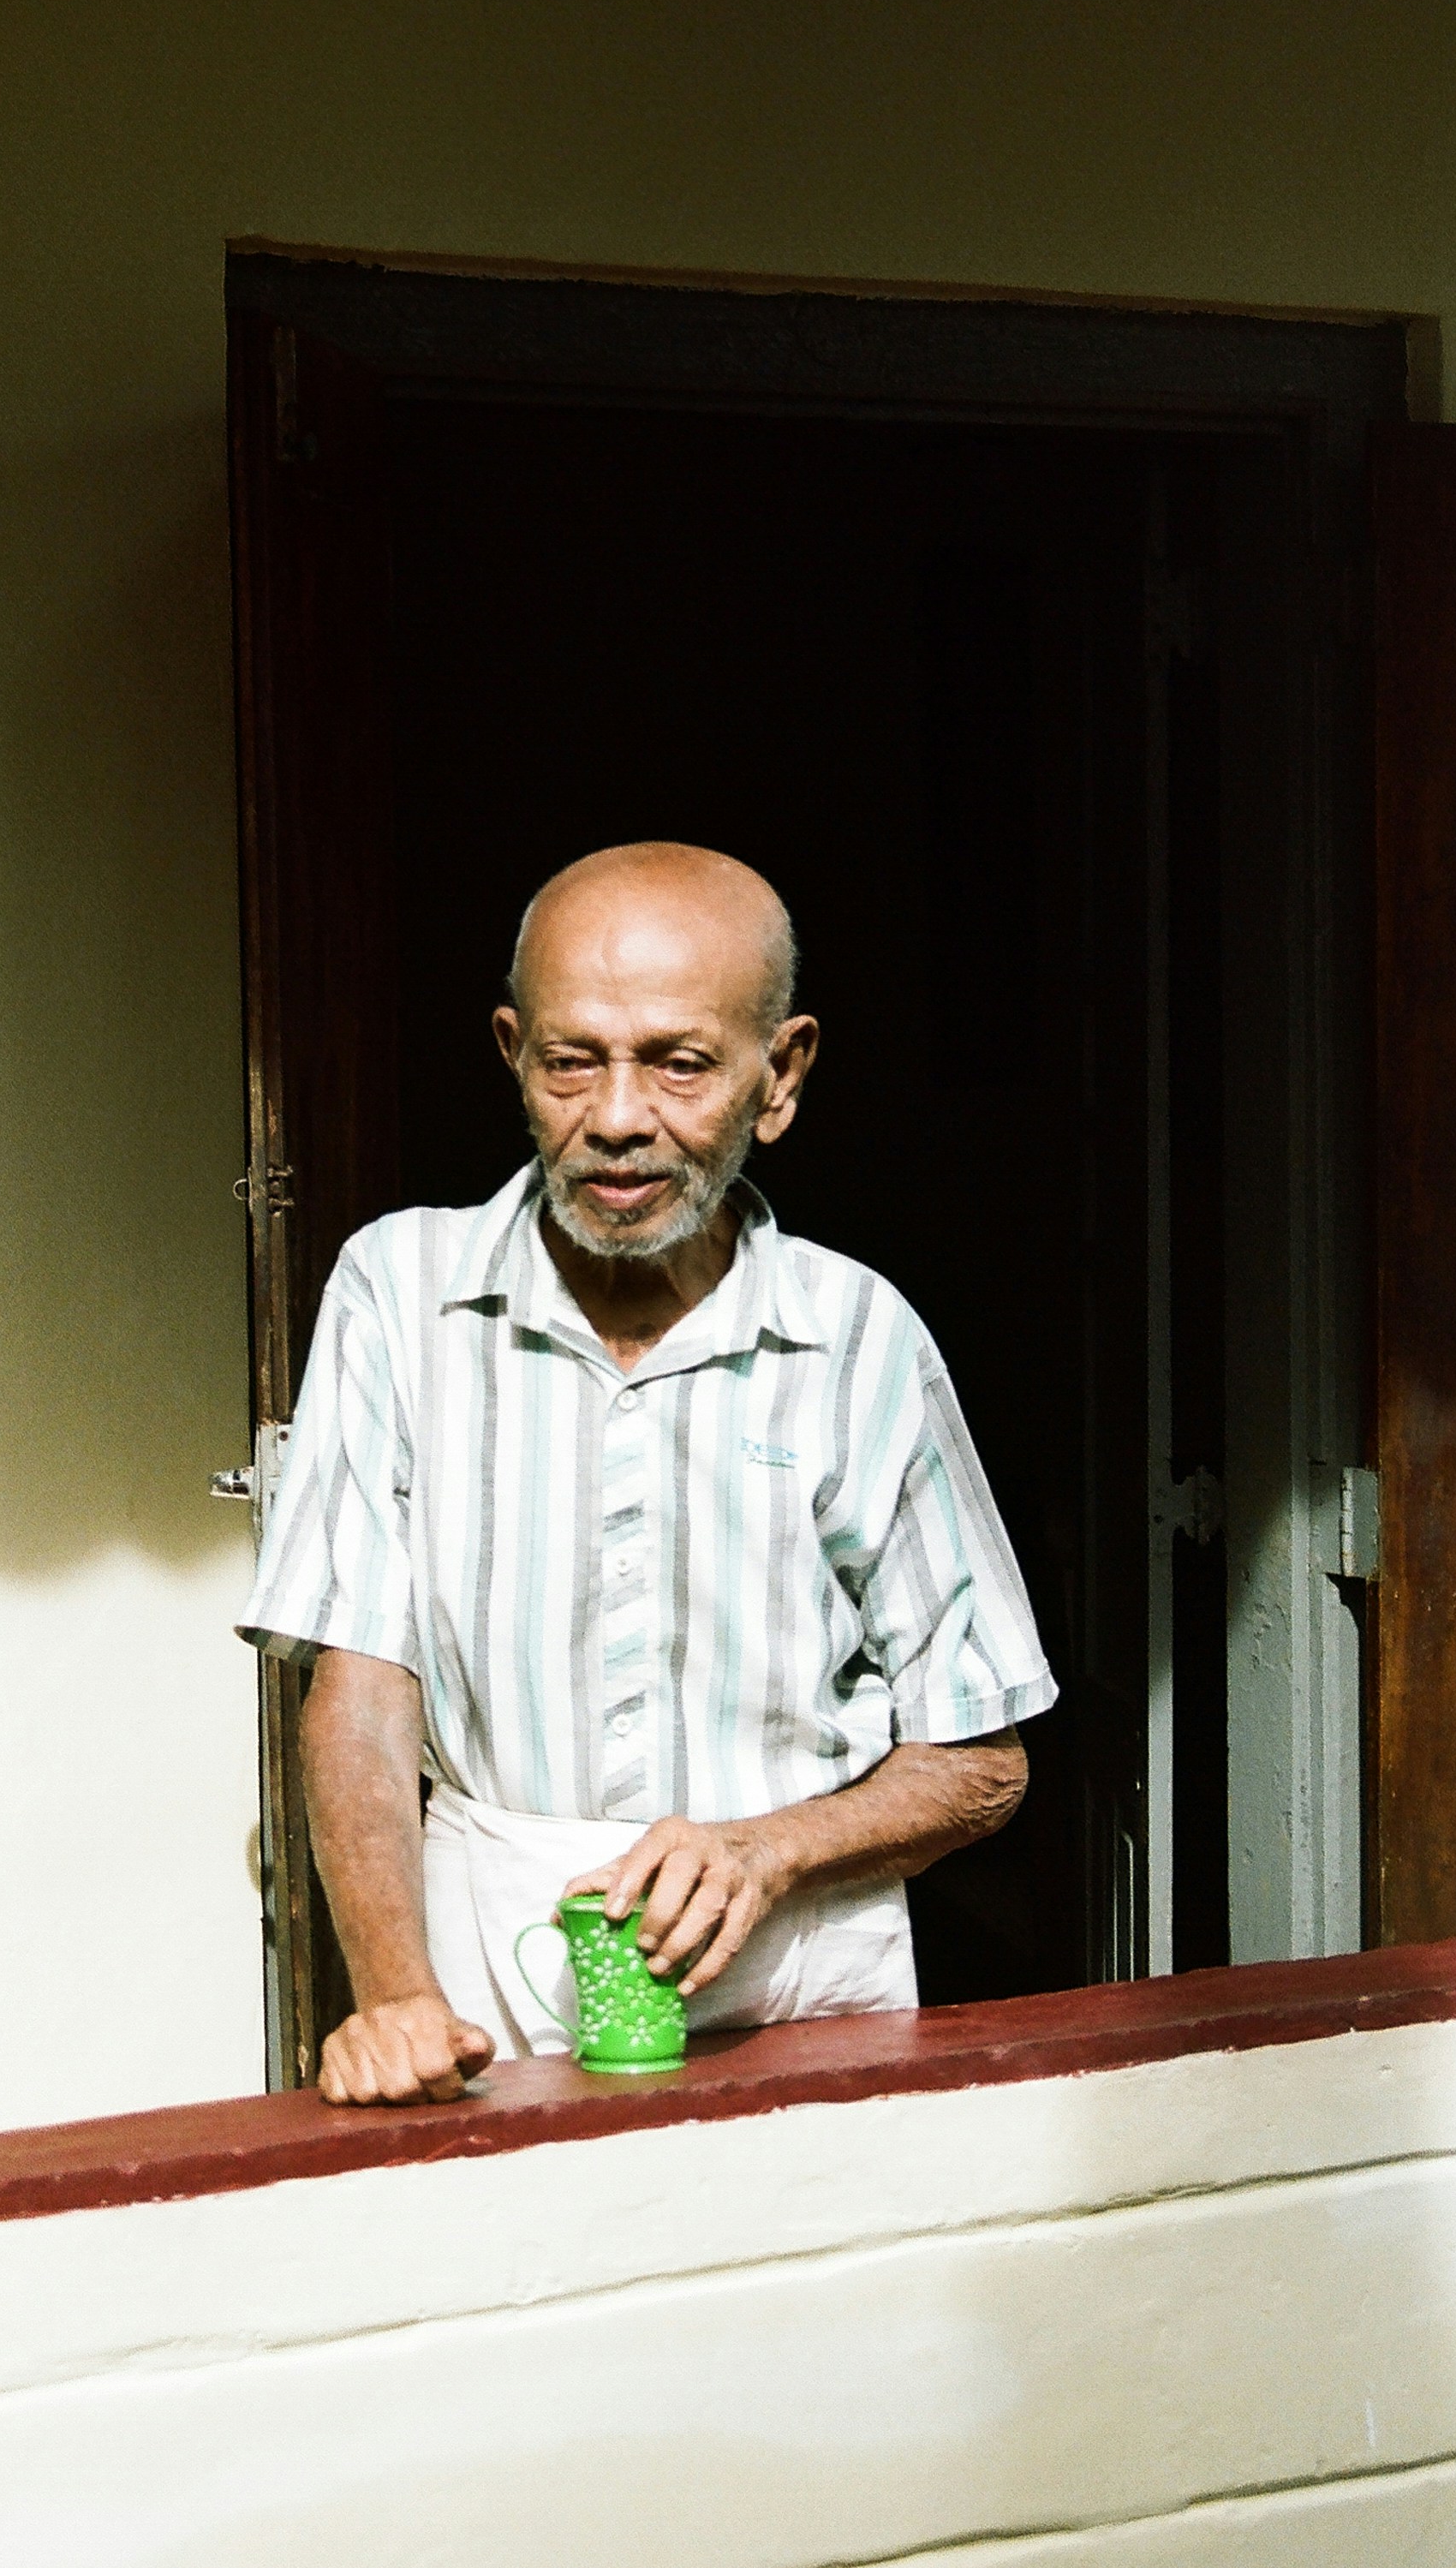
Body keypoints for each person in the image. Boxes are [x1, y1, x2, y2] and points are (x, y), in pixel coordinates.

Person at [238, 841, 1055, 2105]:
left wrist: (769, 1851)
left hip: (795, 1979)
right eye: (573, 1058)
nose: (619, 1116)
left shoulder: (859, 1337)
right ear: (513, 1054)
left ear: (778, 1076)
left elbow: (982, 1755)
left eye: (679, 1063)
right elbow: (361, 1678)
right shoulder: (401, 1295)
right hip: (486, 1972)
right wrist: (399, 1995)